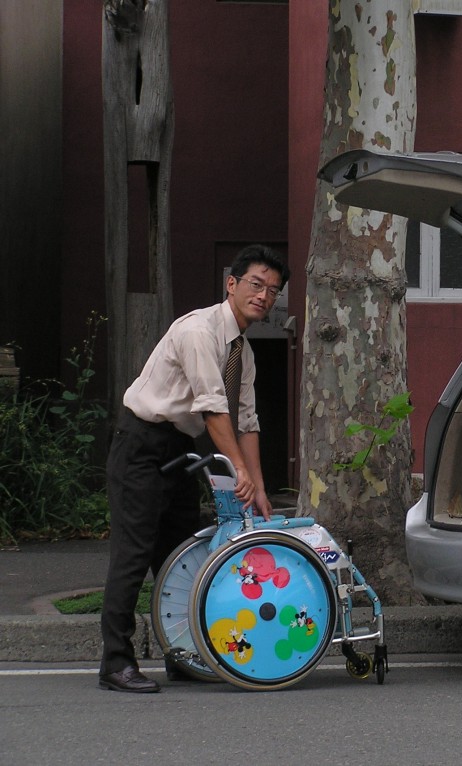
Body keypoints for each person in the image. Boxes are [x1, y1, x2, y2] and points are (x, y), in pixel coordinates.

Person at [99, 244, 289, 693]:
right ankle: (115, 663)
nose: (263, 296)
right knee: (133, 555)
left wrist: (258, 485)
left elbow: (246, 420)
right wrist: (237, 471)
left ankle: (181, 654)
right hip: (141, 443)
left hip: (179, 450)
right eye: (255, 284)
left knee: (181, 560)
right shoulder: (198, 331)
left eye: (273, 291)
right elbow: (213, 411)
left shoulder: (243, 350)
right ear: (232, 284)